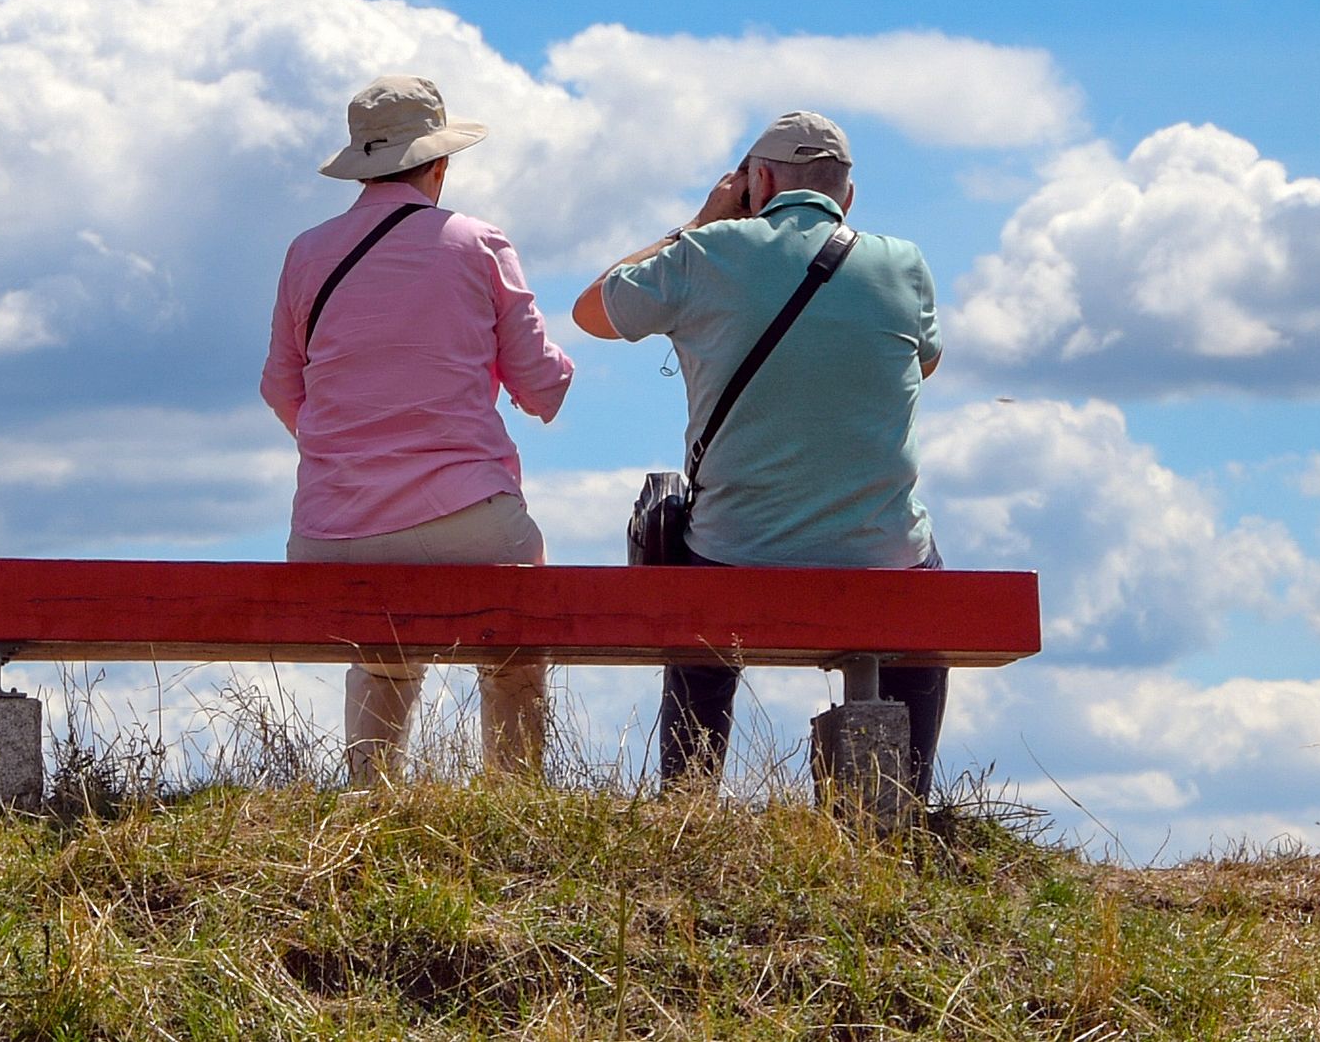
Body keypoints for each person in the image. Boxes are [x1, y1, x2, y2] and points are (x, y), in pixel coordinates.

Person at [570, 111, 946, 798]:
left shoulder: (707, 253)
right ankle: (901, 802)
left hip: (735, 551)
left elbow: (592, 309)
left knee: (690, 563)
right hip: (879, 554)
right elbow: (925, 362)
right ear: (847, 196)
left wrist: (702, 220)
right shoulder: (904, 263)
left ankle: (689, 799)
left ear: (759, 181)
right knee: (924, 576)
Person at [261, 75, 575, 787]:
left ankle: (372, 793)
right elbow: (543, 387)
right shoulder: (477, 241)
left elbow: (282, 387)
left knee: (383, 644)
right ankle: (514, 792)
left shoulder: (306, 252)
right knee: (517, 629)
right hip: (465, 519)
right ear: (439, 164)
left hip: (328, 532)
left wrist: (347, 452)